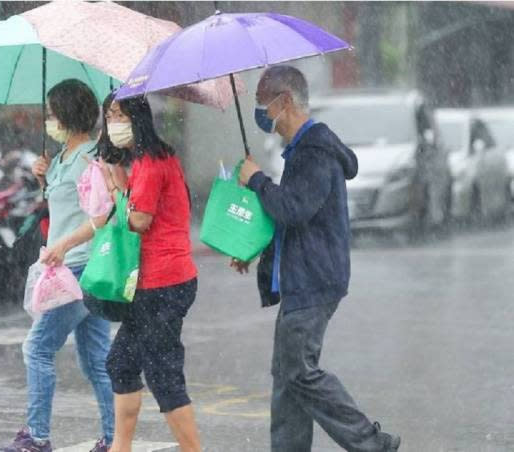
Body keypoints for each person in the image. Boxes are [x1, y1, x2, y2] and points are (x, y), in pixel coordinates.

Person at [234, 65, 401, 452]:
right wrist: (253, 249)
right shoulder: (302, 150)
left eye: (263, 105)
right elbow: (294, 220)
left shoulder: (315, 151)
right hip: (303, 277)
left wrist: (257, 179)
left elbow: (294, 209)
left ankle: (372, 443)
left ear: (285, 102)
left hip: (314, 278)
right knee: (287, 377)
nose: (262, 115)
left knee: (299, 373)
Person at [0, 79, 115, 452]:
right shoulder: (63, 156)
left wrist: (64, 244)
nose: (48, 120)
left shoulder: (92, 159)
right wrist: (42, 178)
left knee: (37, 348)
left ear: (66, 114)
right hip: (68, 266)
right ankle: (115, 439)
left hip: (80, 267)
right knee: (95, 359)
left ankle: (37, 436)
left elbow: (100, 215)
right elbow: (62, 208)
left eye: (52, 114)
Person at [98, 93, 202, 452]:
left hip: (165, 282)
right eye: (109, 115)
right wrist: (117, 177)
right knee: (121, 363)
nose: (112, 122)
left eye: (117, 114)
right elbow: (141, 203)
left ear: (136, 118)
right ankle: (120, 448)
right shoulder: (149, 159)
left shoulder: (152, 162)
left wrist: (114, 188)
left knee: (163, 374)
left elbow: (139, 220)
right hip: (154, 283)